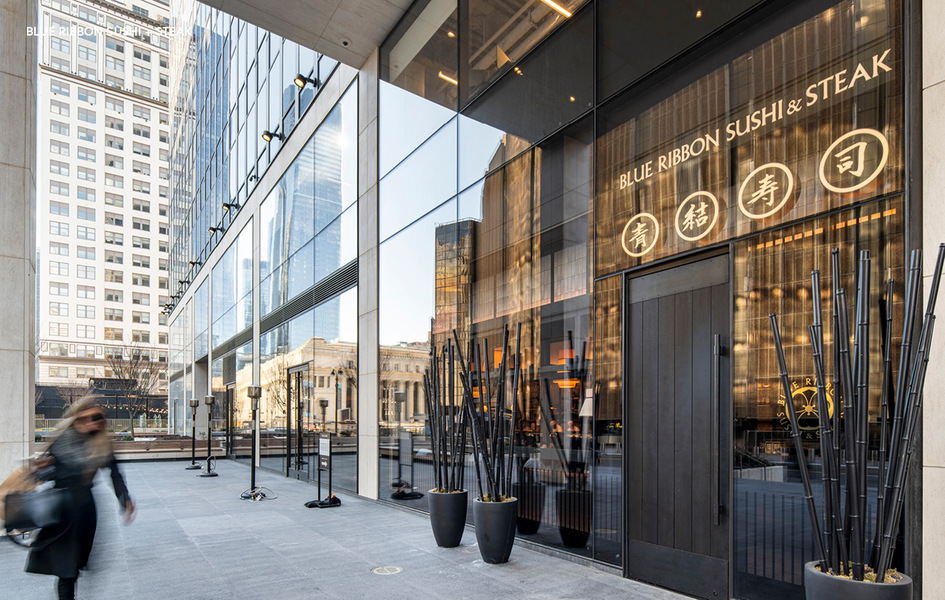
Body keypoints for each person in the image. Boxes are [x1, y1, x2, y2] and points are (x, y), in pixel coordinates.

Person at [25, 397, 135, 600]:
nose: (95, 421)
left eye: (99, 418)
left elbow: (114, 473)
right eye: (90, 417)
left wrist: (125, 499)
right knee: (66, 569)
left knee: (74, 566)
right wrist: (39, 470)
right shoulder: (62, 440)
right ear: (77, 419)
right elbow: (46, 474)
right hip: (61, 510)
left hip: (84, 511)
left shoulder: (101, 443)